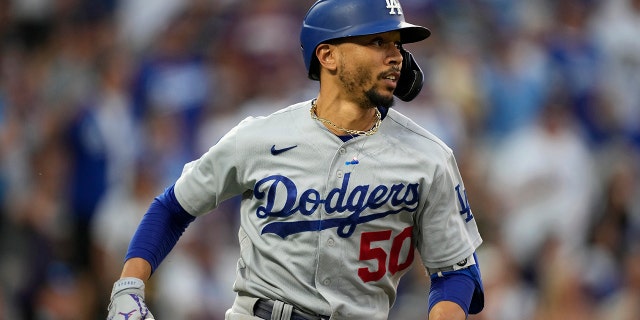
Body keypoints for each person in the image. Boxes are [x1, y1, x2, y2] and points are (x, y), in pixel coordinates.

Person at [106, 0, 485, 319]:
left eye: (398, 44)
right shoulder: (260, 136)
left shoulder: (429, 156)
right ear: (328, 55)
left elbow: (456, 270)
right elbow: (173, 207)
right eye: (378, 41)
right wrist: (130, 285)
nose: (396, 56)